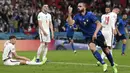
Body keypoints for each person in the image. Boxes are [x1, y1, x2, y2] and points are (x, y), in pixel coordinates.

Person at [67, 1, 117, 73]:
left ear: (84, 7)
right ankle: (103, 63)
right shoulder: (77, 16)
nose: (78, 7)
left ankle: (113, 65)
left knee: (106, 50)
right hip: (88, 36)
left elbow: (99, 24)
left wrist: (95, 33)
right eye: (78, 6)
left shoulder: (90, 15)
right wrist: (69, 13)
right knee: (92, 48)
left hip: (98, 35)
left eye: (80, 6)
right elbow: (71, 23)